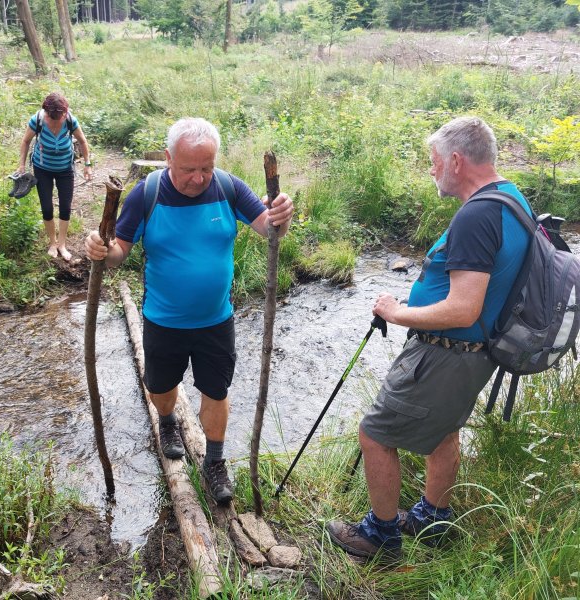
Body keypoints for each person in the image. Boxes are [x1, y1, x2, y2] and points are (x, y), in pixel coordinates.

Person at [326, 116, 533, 562]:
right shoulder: (511, 198)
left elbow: (463, 308)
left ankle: (380, 537)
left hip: (448, 353)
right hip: (476, 355)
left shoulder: (477, 216)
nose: (432, 170)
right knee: (444, 431)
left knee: (375, 434)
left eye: (434, 161)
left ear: (456, 161)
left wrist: (398, 312)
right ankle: (431, 519)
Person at [84, 117, 294, 504]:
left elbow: (270, 232)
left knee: (216, 390)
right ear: (167, 159)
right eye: (188, 169)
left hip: (216, 320)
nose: (199, 178)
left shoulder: (229, 188)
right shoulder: (145, 194)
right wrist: (100, 248)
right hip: (163, 321)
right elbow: (118, 254)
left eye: (206, 168)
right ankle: (167, 421)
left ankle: (215, 461)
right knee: (160, 389)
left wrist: (282, 216)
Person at [17, 92, 92, 261]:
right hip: (42, 168)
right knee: (47, 207)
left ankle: (62, 244)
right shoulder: (37, 120)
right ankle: (52, 242)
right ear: (46, 112)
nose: (57, 120)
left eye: (61, 116)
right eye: (53, 117)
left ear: (65, 112)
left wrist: (87, 165)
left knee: (65, 206)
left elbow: (82, 141)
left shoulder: (70, 120)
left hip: (65, 169)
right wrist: (21, 164)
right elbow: (25, 141)